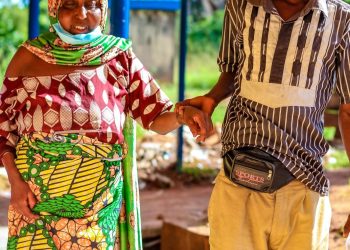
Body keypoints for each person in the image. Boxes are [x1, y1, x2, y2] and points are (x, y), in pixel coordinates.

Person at [0, 0, 212, 249]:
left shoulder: (119, 58)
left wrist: (181, 116)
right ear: (55, 8)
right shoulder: (27, 58)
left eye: (91, 5)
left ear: (103, 10)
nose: (82, 14)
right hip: (35, 205)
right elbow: (4, 128)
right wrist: (15, 183)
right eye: (70, 5)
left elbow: (155, 116)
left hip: (99, 210)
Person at [176, 0, 350, 249]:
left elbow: (348, 110)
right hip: (238, 184)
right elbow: (233, 69)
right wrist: (212, 98)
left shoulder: (342, 19)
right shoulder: (240, 5)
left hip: (302, 187)